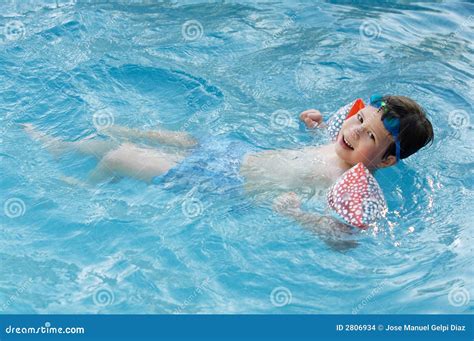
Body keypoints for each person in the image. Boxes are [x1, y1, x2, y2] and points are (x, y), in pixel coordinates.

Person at [23, 95, 433, 249]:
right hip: (236, 153)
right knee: (181, 138)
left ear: (386, 161)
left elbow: (346, 238)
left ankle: (81, 188)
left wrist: (296, 214)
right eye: (357, 120)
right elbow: (332, 136)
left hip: (227, 182)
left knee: (121, 156)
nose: (352, 131)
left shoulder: (349, 183)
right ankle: (68, 148)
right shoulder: (339, 140)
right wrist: (310, 125)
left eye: (368, 136)